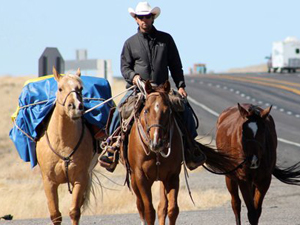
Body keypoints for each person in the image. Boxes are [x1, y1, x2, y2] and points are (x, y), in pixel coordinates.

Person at [99, 1, 206, 172]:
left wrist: (180, 86)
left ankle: (191, 148)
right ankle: (112, 147)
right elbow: (125, 67)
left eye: (147, 17)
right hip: (138, 90)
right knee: (120, 110)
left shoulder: (166, 39)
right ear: (135, 19)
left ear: (152, 18)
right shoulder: (130, 43)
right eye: (140, 17)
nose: (144, 20)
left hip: (162, 89)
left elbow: (175, 65)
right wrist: (133, 78)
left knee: (184, 108)